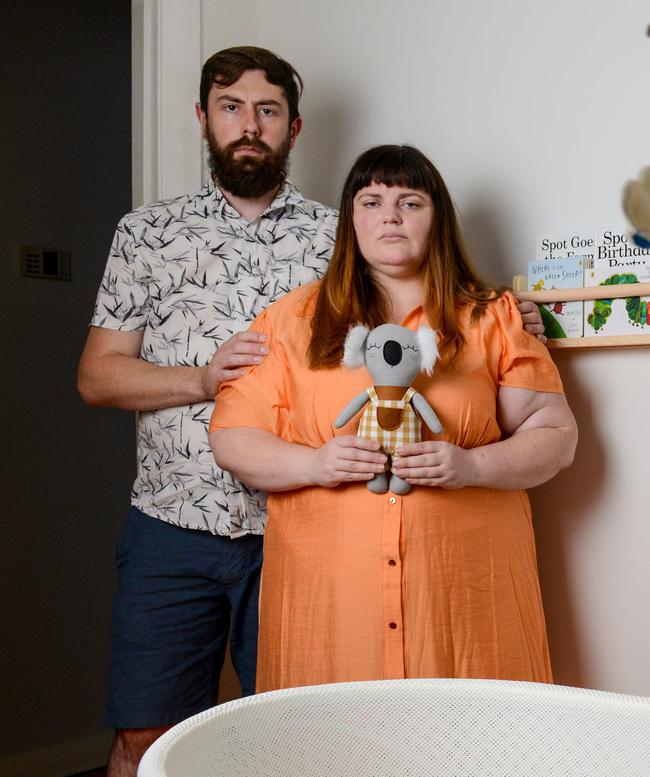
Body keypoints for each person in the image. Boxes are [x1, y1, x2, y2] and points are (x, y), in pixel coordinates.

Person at [77, 46, 544, 777]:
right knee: (147, 733)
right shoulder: (148, 233)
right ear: (203, 118)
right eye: (230, 107)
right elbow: (96, 376)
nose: (247, 125)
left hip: (299, 538)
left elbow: (426, 294)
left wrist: (511, 314)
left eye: (266, 111)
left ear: (294, 128)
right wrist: (200, 377)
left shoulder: (337, 234)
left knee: (299, 745)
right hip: (176, 519)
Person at [209, 144, 578, 694]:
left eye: (411, 202)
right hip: (330, 611)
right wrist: (315, 463)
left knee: (474, 759)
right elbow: (232, 436)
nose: (390, 216)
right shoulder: (290, 321)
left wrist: (471, 466)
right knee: (333, 765)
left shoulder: (492, 316)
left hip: (464, 602)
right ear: (351, 219)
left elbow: (555, 436)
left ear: (438, 219)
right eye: (372, 201)